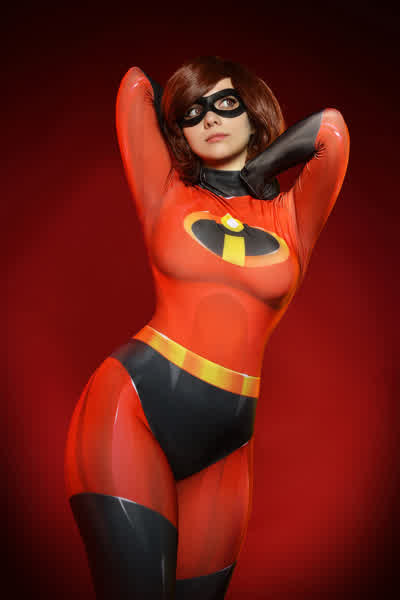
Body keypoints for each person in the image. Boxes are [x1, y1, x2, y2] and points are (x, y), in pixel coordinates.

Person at [64, 55, 350, 600]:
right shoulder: (166, 190)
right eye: (193, 113)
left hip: (227, 445)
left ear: (253, 112)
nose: (210, 118)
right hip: (133, 412)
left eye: (225, 103)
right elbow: (134, 86)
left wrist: (257, 172)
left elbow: (330, 131)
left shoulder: (293, 218)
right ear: (179, 131)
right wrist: (178, 120)